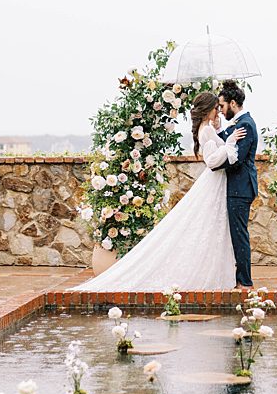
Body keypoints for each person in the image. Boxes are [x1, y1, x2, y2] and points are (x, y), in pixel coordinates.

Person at [77, 90, 246, 292]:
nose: (218, 111)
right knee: (208, 227)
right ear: (209, 109)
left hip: (215, 183)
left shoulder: (207, 128)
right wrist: (230, 142)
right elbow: (211, 161)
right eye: (216, 108)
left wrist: (220, 132)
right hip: (214, 182)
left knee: (211, 228)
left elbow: (213, 148)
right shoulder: (206, 130)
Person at [213, 80, 259, 290]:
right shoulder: (238, 125)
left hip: (241, 188)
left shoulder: (246, 125)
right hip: (237, 188)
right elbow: (229, 143)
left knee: (239, 234)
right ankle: (239, 278)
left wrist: (212, 164)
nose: (221, 111)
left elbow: (236, 159)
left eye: (222, 106)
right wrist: (220, 131)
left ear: (232, 103)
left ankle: (245, 281)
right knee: (236, 233)